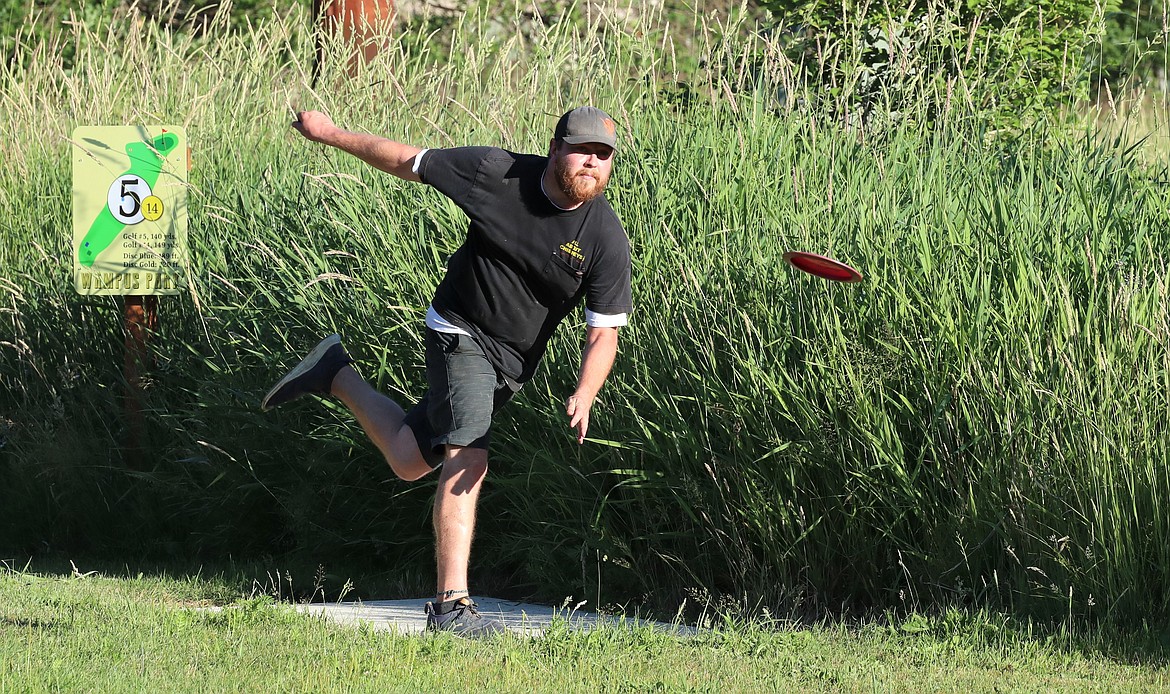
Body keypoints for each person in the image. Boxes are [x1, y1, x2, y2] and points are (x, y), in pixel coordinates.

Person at [262, 106, 633, 637]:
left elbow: (604, 333)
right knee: (469, 457)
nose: (592, 163)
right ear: (555, 148)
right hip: (459, 328)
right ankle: (451, 608)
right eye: (582, 150)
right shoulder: (496, 175)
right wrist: (331, 134)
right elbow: (407, 161)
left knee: (410, 459)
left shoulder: (604, 237)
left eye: (603, 156)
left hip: (512, 362)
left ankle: (335, 372)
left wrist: (587, 390)